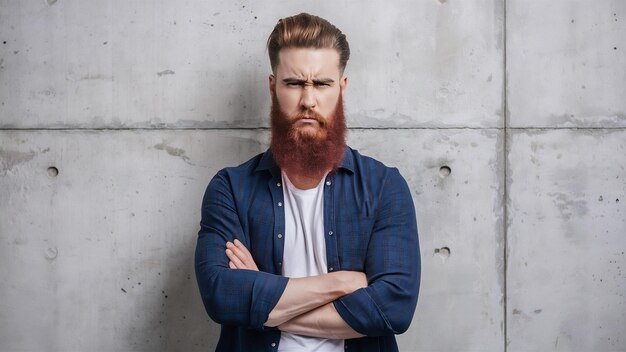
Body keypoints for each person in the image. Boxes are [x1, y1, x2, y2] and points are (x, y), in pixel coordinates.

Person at [195, 13, 420, 352]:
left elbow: (393, 310)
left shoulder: (384, 187)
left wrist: (263, 298)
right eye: (295, 83)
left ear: (341, 88)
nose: (308, 101)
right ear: (273, 87)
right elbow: (221, 297)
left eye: (322, 84)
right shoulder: (230, 188)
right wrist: (341, 283)